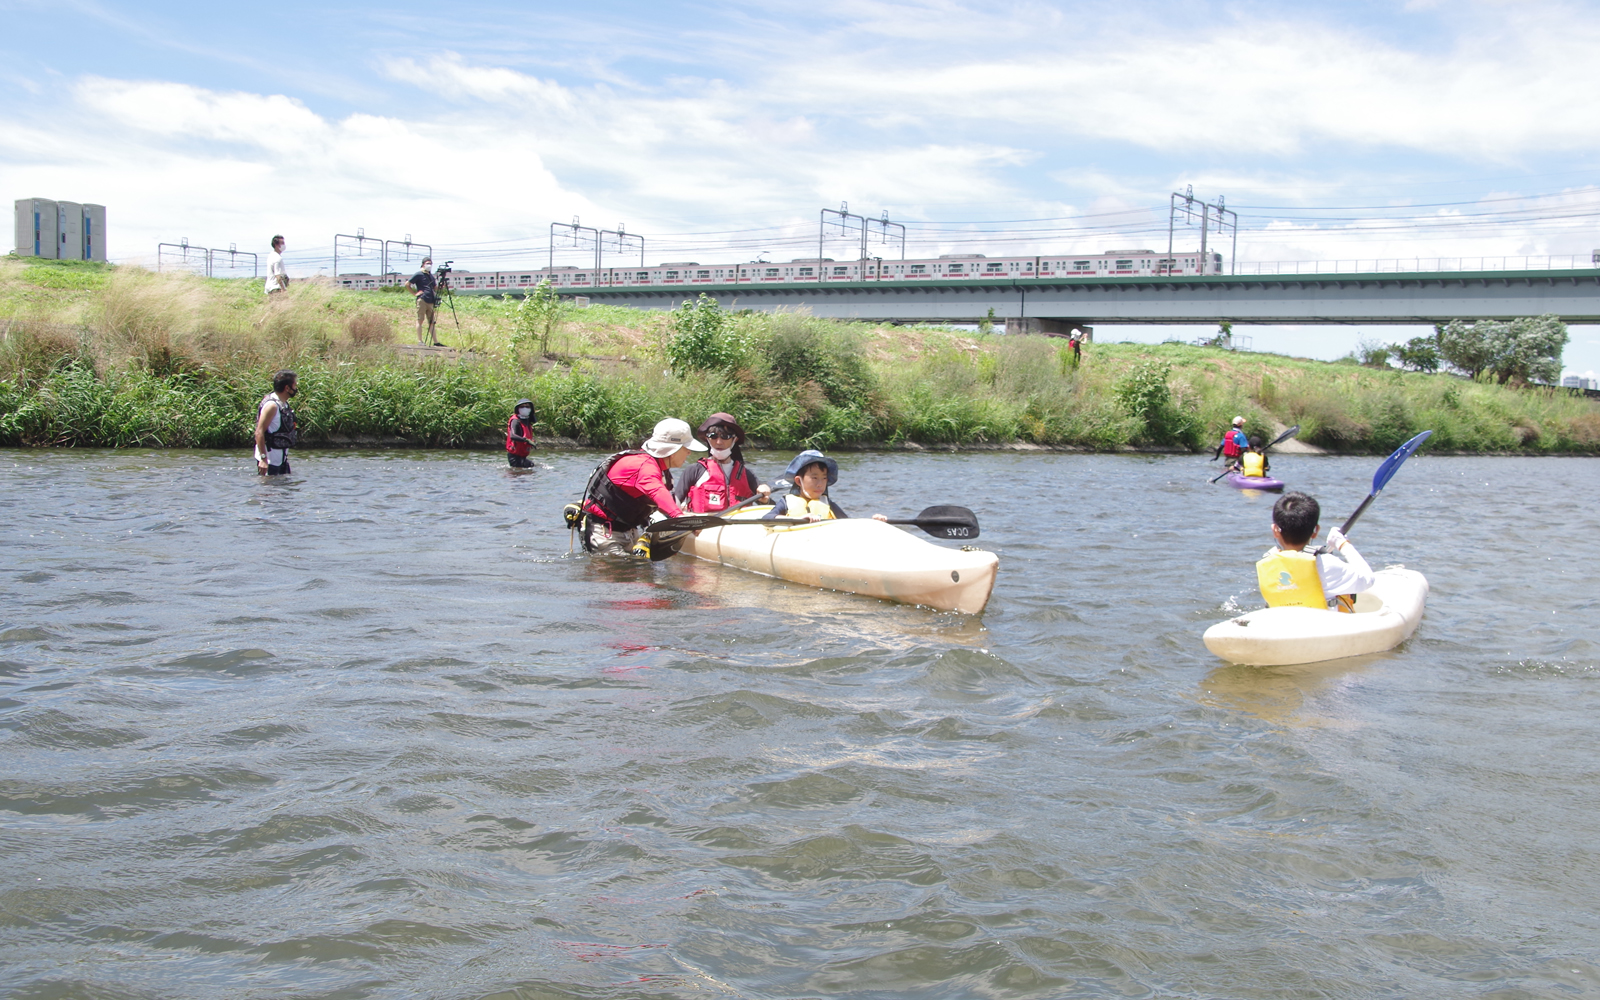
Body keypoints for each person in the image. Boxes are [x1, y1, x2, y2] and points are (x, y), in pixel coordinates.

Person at [577, 417, 706, 555]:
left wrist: (684, 515)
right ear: (673, 451)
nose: (689, 453)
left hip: (628, 531)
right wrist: (679, 517)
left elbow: (661, 501)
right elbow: (656, 491)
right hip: (604, 531)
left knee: (633, 573)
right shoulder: (645, 466)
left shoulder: (658, 468)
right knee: (616, 572)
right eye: (686, 448)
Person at [1256, 491, 1375, 613]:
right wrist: (1342, 543)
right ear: (1316, 531)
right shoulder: (1326, 564)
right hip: (1324, 630)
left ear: (1275, 530)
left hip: (1287, 629)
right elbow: (1368, 579)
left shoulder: (1266, 562)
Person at [673, 413, 770, 513]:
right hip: (703, 526)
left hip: (738, 526)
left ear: (734, 439)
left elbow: (769, 508)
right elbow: (673, 504)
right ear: (707, 439)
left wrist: (764, 497)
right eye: (713, 436)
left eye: (725, 436)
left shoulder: (747, 475)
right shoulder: (694, 471)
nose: (719, 442)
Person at [762, 450, 887, 522]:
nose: (820, 483)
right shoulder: (786, 501)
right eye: (814, 478)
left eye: (824, 478)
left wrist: (873, 522)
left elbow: (848, 523)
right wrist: (798, 518)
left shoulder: (827, 503)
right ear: (799, 481)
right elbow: (767, 518)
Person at [254, 369, 298, 476]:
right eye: (295, 385)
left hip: (281, 460)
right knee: (269, 492)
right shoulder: (272, 406)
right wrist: (263, 459)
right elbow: (259, 432)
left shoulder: (284, 404)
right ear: (287, 388)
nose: (296, 388)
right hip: (269, 462)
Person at [407, 258, 443, 347]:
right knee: (420, 319)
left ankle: (435, 341)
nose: (429, 265)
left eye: (431, 263)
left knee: (431, 322)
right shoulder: (419, 274)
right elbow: (407, 284)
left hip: (430, 300)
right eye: (427, 263)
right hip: (422, 299)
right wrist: (415, 293)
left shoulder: (430, 275)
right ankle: (420, 341)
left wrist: (442, 286)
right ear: (423, 264)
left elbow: (434, 287)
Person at [506, 399, 537, 469]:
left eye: (527, 407)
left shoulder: (527, 421)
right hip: (514, 456)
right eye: (522, 407)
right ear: (518, 409)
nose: (525, 408)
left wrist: (532, 441)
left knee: (532, 467)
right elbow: (512, 436)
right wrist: (526, 440)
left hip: (522, 455)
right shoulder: (515, 421)